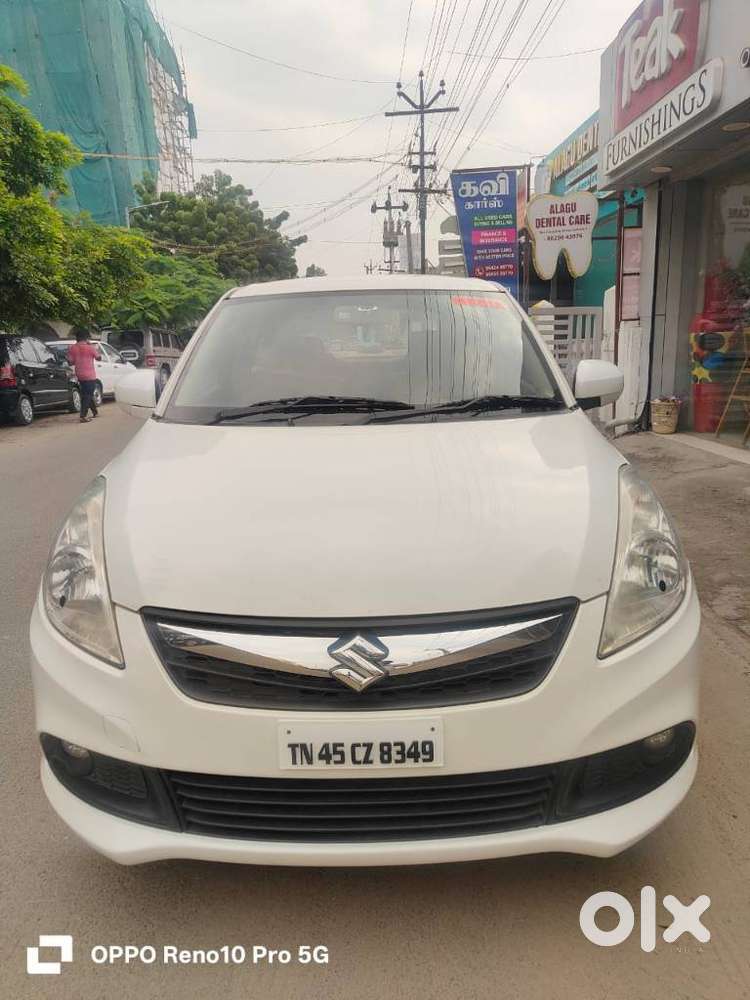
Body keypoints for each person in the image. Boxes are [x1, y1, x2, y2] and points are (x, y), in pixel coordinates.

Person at [67, 330, 101, 423]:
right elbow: (99, 357)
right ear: (86, 338)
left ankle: (95, 412)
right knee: (88, 394)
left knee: (86, 393)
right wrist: (92, 347)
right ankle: (83, 416)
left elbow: (70, 362)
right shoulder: (90, 347)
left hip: (80, 374)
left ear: (77, 338)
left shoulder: (72, 348)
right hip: (90, 375)